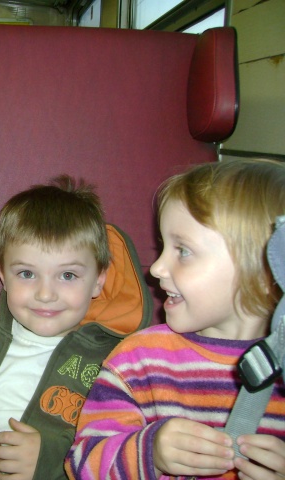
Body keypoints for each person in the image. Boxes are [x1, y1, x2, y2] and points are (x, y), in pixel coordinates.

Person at [0, 175, 152, 480]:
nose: (45, 294)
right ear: (3, 274)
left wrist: (49, 461)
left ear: (99, 279)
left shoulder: (116, 364)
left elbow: (120, 453)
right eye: (27, 274)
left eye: (67, 276)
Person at [66, 159, 285, 480]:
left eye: (182, 251)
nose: (156, 268)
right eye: (163, 246)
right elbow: (83, 463)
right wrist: (149, 453)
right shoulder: (139, 361)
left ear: (266, 271)